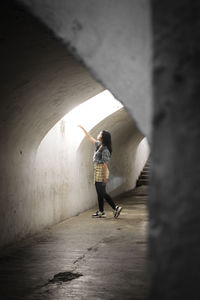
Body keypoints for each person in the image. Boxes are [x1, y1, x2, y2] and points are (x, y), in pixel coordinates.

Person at [78, 125, 122, 218]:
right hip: (97, 169)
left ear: (103, 137)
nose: (98, 134)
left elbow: (105, 164)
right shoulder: (99, 144)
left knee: (102, 192)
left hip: (102, 171)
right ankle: (101, 211)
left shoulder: (105, 149)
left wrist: (105, 177)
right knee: (99, 192)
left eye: (100, 133)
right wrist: (83, 129)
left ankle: (115, 207)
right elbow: (90, 138)